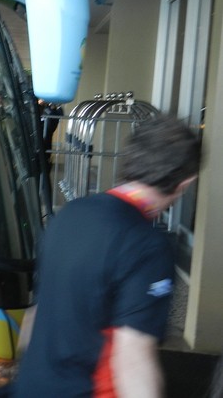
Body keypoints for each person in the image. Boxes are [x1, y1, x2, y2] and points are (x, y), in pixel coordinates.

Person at [13, 117, 201, 397]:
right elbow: (133, 358)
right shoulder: (148, 245)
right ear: (185, 184)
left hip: (31, 386)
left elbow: (36, 313)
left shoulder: (70, 214)